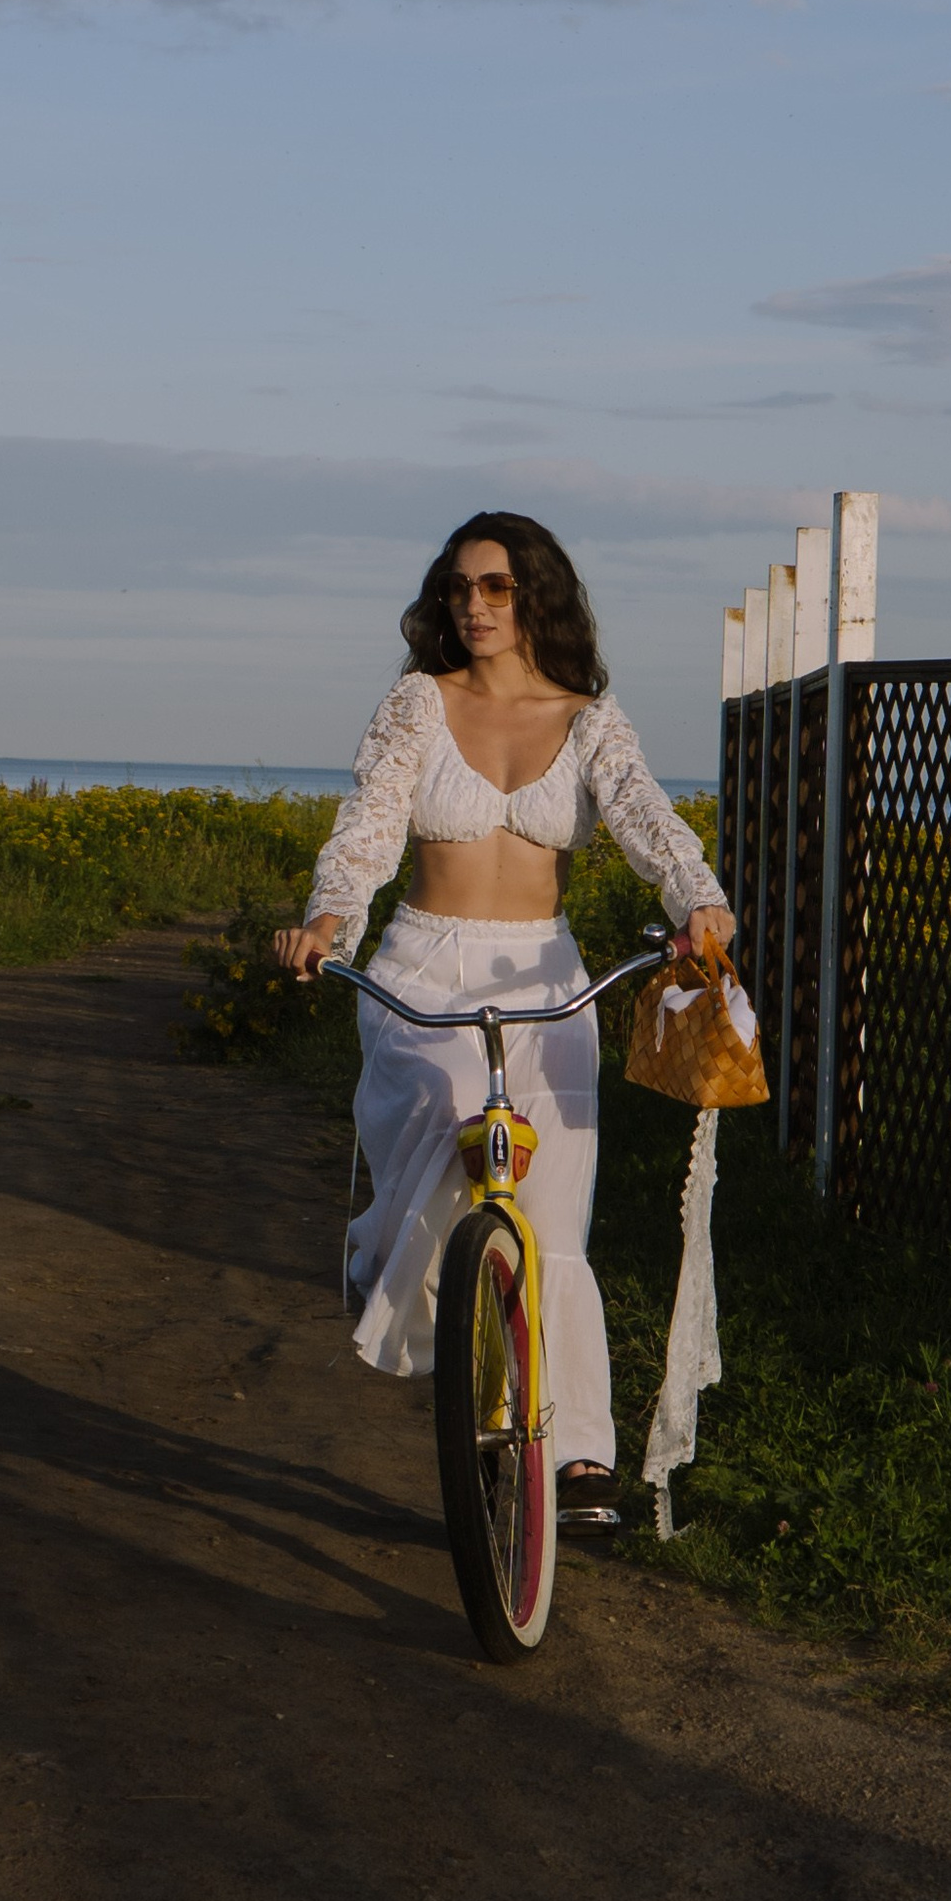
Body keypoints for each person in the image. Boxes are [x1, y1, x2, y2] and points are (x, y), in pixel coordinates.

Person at [273, 511, 734, 1524]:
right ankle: (421, 1299)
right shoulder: (417, 704)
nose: (473, 606)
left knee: (555, 1222)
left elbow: (645, 815)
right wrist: (327, 922)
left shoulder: (589, 719)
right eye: (458, 588)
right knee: (443, 1159)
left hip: (544, 978)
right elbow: (368, 826)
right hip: (425, 967)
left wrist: (695, 898)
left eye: (496, 587)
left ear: (536, 596)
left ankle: (578, 1458)